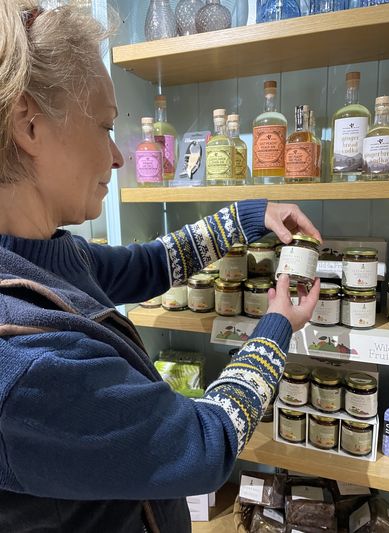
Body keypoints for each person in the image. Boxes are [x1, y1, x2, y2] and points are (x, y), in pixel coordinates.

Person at [0, 2, 321, 532]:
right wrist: (275, 328)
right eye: (104, 127)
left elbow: (149, 263)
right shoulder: (27, 359)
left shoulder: (45, 257)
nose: (118, 157)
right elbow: (203, 443)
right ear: (29, 124)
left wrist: (249, 216)